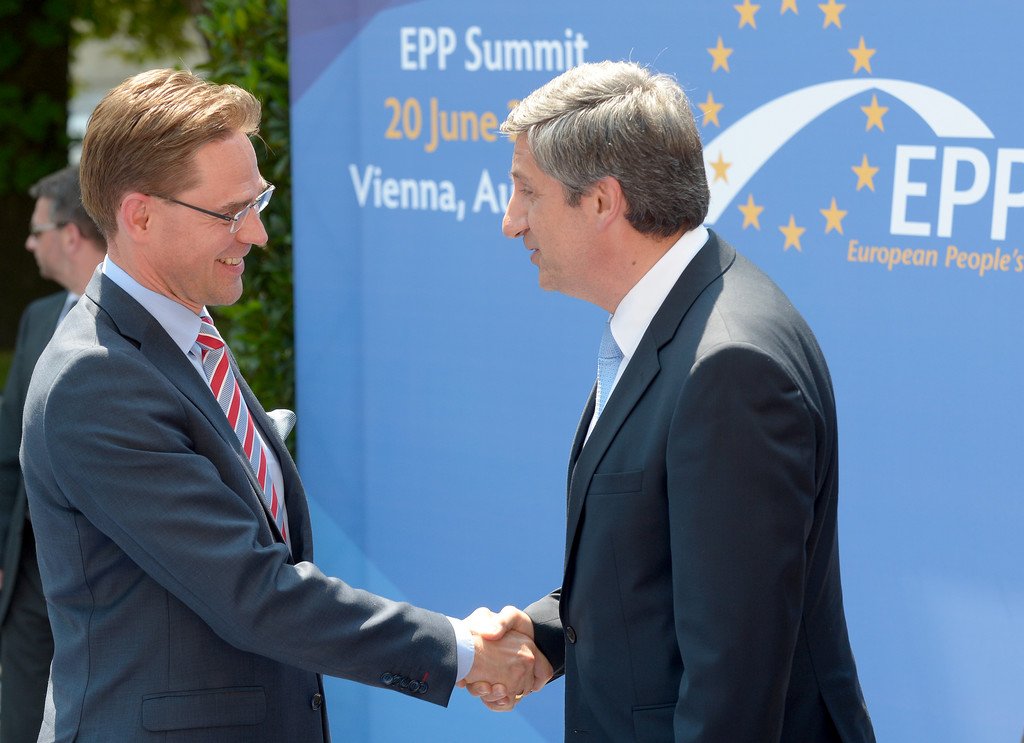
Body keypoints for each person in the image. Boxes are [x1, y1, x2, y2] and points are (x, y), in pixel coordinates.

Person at [20, 68, 548, 743]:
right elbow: (252, 592)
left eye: (258, 201)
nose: (258, 233)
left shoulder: (182, 333)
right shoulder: (97, 380)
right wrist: (465, 651)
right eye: (230, 212)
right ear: (140, 214)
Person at [466, 61, 876, 741]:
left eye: (527, 192)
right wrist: (545, 636)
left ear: (602, 202)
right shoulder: (673, 323)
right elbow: (661, 570)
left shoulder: (731, 371)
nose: (512, 221)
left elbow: (733, 685)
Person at [0, 166, 106, 743]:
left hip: (106, 581)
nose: (27, 243)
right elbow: (6, 448)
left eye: (37, 230)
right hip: (29, 579)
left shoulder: (146, 316)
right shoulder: (38, 318)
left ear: (69, 234)